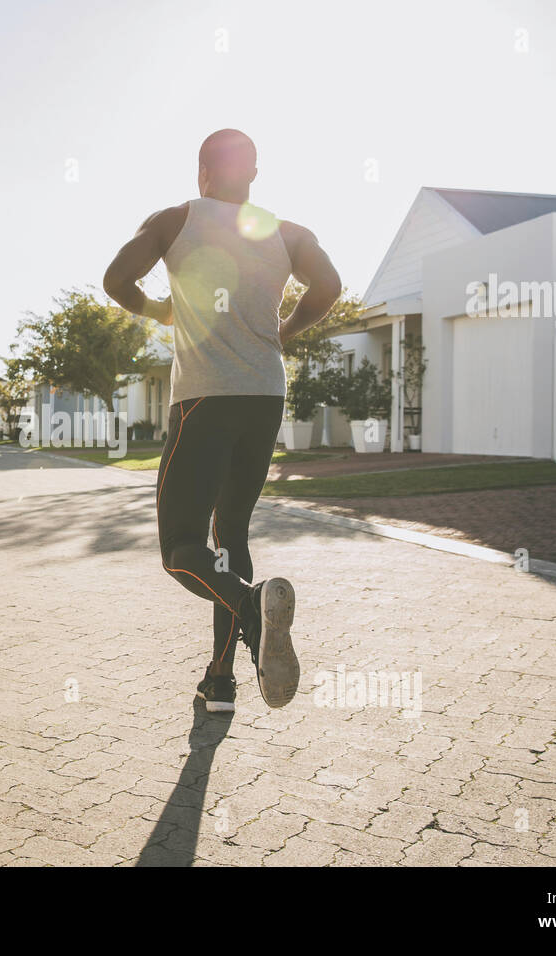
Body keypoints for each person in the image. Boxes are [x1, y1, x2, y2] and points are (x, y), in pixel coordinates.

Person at [102, 129, 341, 713]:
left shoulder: (175, 219)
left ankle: (252, 609)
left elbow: (115, 281)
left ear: (202, 169)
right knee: (229, 537)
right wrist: (283, 331)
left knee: (180, 548)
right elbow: (330, 288)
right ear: (253, 173)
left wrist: (163, 310)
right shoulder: (287, 232)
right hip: (264, 396)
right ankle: (221, 681)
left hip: (205, 398)